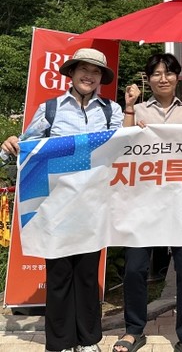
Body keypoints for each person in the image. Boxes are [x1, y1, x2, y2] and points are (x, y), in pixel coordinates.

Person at [1, 48, 124, 352]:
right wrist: (10, 145)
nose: (89, 76)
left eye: (95, 71)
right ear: (71, 73)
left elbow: (123, 150)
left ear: (101, 78)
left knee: (87, 275)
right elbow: (27, 146)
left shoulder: (112, 111)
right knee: (58, 276)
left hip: (94, 206)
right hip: (55, 207)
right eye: (83, 69)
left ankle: (88, 340)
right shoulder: (51, 109)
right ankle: (60, 343)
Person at [113, 54, 182, 352]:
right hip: (143, 204)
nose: (163, 78)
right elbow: (122, 143)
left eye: (169, 73)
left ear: (177, 78)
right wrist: (130, 108)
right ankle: (133, 331)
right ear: (148, 79)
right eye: (157, 73)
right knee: (135, 269)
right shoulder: (138, 110)